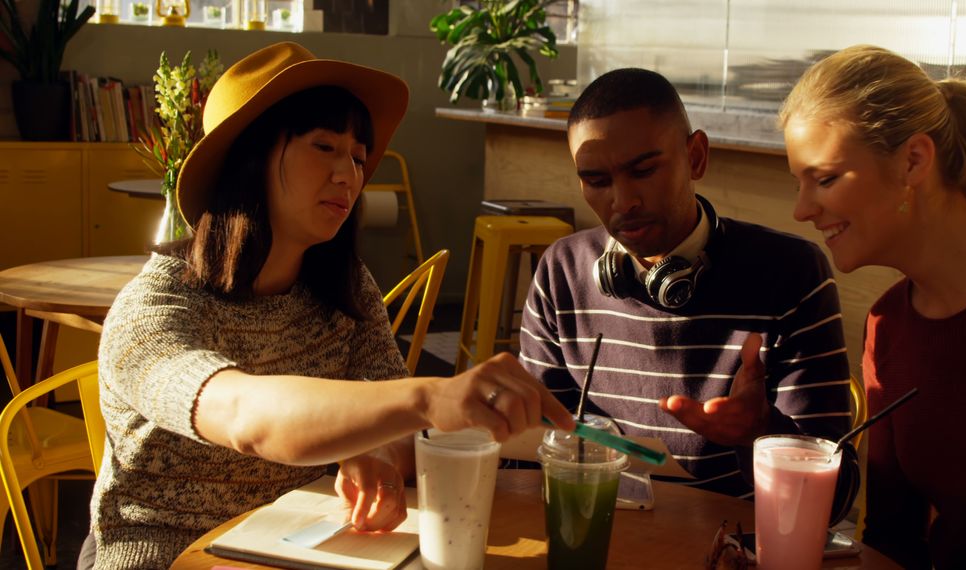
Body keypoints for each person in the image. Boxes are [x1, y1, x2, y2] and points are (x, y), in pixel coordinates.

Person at [85, 42, 574, 569]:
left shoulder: (343, 287)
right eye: (324, 146)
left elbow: (397, 425)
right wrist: (430, 396)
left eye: (359, 156)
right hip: (167, 554)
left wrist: (373, 452)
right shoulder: (155, 307)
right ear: (249, 156)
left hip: (298, 542)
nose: (350, 175)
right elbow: (246, 415)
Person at [780, 44, 966, 568]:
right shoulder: (889, 323)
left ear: (914, 160)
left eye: (825, 179)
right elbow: (892, 540)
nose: (803, 209)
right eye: (799, 183)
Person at [517, 67, 858, 522]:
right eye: (597, 181)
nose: (623, 201)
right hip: (598, 532)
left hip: (730, 544)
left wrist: (760, 432)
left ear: (696, 156)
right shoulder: (562, 272)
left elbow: (835, 503)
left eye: (643, 171)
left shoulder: (789, 272)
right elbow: (530, 455)